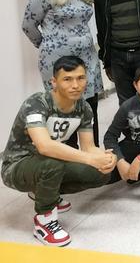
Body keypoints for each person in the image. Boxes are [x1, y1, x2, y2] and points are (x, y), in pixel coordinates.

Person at [1, 56, 115, 246]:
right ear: (54, 82)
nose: (76, 85)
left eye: (80, 78)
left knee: (101, 173)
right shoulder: (37, 103)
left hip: (48, 162)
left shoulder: (84, 108)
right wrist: (89, 158)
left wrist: (105, 158)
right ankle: (44, 221)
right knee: (51, 163)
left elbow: (88, 147)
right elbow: (45, 146)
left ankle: (45, 193)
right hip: (17, 166)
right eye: (67, 79)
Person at [22, 0, 103, 146]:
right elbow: (28, 25)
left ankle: (90, 158)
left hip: (87, 59)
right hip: (57, 62)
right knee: (63, 110)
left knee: (89, 107)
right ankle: (68, 160)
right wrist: (48, 45)